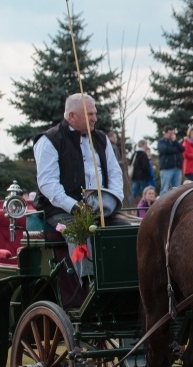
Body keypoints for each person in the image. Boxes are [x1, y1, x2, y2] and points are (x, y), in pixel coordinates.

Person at [33, 93, 125, 278]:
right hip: (62, 211)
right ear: (72, 116)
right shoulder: (49, 140)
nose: (95, 118)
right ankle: (89, 283)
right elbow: (48, 184)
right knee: (80, 234)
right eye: (90, 114)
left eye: (95, 113)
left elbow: (115, 173)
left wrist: (112, 200)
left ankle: (125, 281)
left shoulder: (101, 139)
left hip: (100, 208)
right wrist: (75, 207)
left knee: (127, 231)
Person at [157, 125, 184, 195]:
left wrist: (175, 142)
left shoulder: (174, 142)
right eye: (170, 133)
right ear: (165, 133)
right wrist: (176, 150)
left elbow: (182, 149)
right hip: (166, 169)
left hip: (177, 168)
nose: (172, 135)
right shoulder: (161, 141)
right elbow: (165, 150)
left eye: (173, 133)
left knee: (176, 190)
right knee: (165, 189)